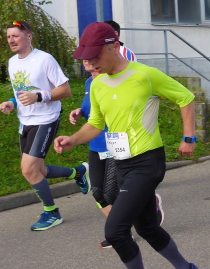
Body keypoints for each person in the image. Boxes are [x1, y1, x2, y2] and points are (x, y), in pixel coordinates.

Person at [54, 22, 203, 269]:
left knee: (115, 230)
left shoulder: (144, 75)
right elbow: (96, 124)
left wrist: (188, 137)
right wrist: (73, 140)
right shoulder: (98, 85)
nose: (90, 63)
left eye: (95, 56)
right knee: (147, 226)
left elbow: (186, 98)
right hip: (121, 162)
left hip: (147, 162)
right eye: (86, 58)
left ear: (113, 47)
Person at [0, 21, 90, 231]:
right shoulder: (12, 62)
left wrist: (39, 96)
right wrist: (11, 103)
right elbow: (20, 92)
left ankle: (52, 213)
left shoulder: (44, 59)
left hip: (46, 119)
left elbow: (65, 91)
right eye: (8, 37)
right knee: (38, 170)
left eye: (15, 36)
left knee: (28, 169)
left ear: (28, 36)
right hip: (25, 121)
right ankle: (77, 173)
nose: (11, 40)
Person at [70, 58, 165, 249]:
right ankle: (123, 231)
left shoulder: (116, 79)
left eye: (90, 57)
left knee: (111, 193)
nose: (85, 60)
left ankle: (124, 228)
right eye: (83, 58)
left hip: (116, 145)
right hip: (96, 145)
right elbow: (95, 110)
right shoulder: (90, 83)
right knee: (98, 193)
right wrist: (80, 111)